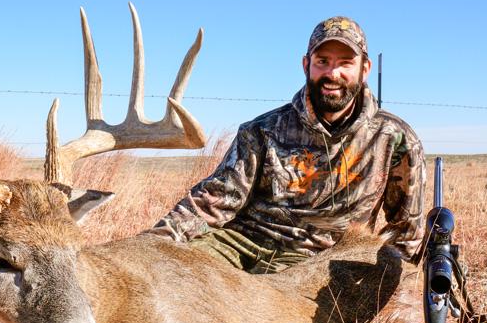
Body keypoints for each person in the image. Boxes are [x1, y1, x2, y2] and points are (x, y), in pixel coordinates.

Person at [150, 16, 426, 273]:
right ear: (306, 65)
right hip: (239, 245)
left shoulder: (395, 139)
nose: (333, 73)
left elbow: (405, 235)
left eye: (345, 63)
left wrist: (398, 287)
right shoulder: (261, 130)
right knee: (174, 270)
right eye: (322, 61)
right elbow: (212, 202)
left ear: (364, 69)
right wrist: (148, 246)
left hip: (319, 263)